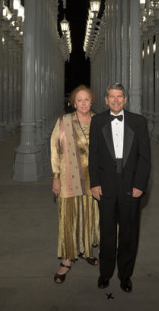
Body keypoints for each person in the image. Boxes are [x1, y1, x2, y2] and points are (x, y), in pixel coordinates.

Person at [88, 83, 151, 293]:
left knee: (129, 233)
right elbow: (93, 154)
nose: (116, 100)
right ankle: (105, 273)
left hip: (130, 187)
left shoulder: (139, 122)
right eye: (112, 97)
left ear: (125, 99)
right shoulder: (97, 121)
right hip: (105, 186)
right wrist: (94, 183)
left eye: (120, 96)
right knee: (106, 232)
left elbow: (144, 158)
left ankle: (125, 276)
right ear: (106, 100)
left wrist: (139, 185)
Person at [51, 85, 99, 284]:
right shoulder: (64, 121)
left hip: (94, 179)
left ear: (92, 101)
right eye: (79, 100)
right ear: (73, 102)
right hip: (69, 178)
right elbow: (55, 148)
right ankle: (67, 259)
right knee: (69, 217)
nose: (83, 103)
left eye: (86, 99)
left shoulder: (99, 121)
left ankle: (87, 250)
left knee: (89, 215)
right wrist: (56, 176)